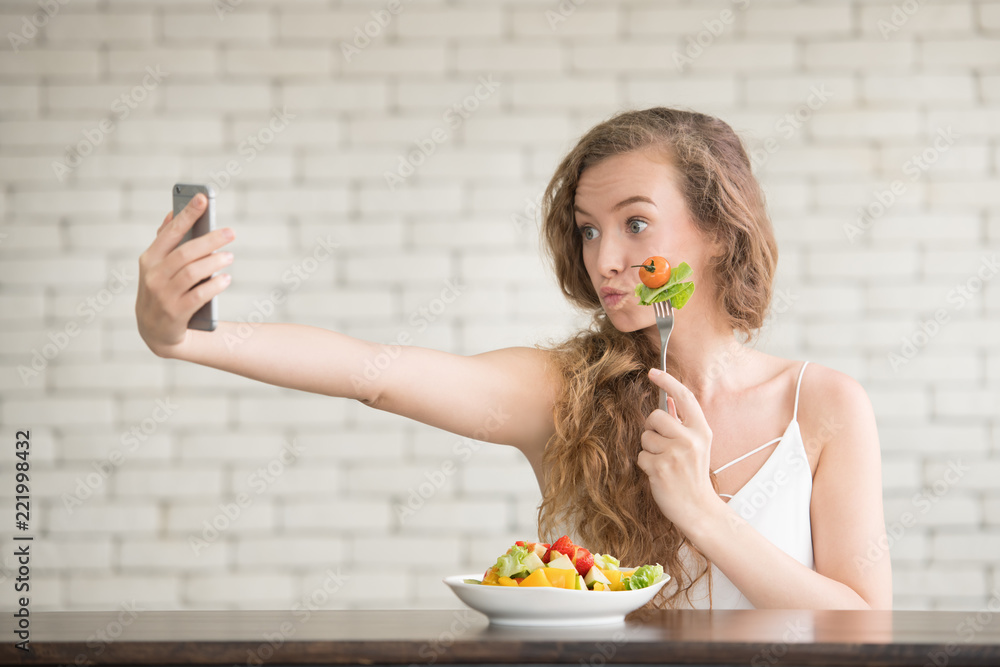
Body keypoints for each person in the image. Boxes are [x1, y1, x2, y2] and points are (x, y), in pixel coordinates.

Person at [136, 107, 892, 609]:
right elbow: (376, 373)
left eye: (635, 223)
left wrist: (701, 512)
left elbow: (865, 628)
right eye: (589, 230)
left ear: (719, 231)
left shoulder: (822, 406)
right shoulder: (562, 392)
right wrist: (185, 336)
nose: (607, 258)